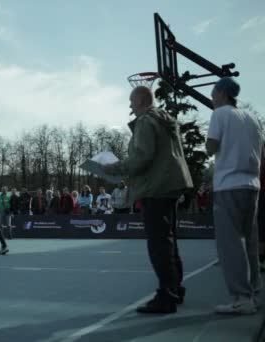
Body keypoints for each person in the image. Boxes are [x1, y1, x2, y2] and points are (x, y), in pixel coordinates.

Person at [104, 85, 193, 314]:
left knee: (159, 244)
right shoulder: (164, 119)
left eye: (132, 102)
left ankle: (167, 295)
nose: (130, 107)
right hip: (170, 185)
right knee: (168, 240)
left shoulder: (146, 121)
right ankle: (175, 288)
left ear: (142, 100)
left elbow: (142, 158)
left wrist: (116, 167)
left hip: (155, 187)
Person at [206, 77, 263, 315]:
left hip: (229, 183)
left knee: (230, 243)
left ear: (221, 94)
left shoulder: (220, 115)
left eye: (213, 93)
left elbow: (211, 146)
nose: (211, 98)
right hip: (252, 184)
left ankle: (241, 297)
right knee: (249, 240)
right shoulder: (253, 119)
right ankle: (254, 291)